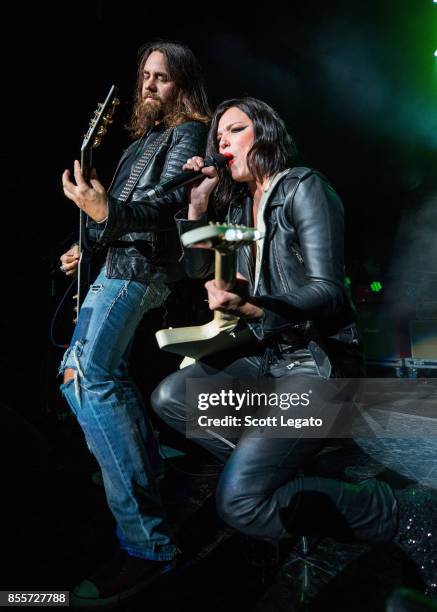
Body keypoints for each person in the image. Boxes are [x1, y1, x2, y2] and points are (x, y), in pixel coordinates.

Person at [151, 98, 437, 593]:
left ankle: (394, 511)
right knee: (174, 398)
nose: (220, 143)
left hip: (319, 365)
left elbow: (329, 291)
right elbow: (199, 270)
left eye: (234, 131)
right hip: (269, 359)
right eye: (217, 135)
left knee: (239, 503)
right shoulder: (242, 207)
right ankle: (283, 479)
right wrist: (197, 204)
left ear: (264, 134)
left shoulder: (304, 188)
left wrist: (257, 307)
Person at [59, 40, 209, 608]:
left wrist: (107, 215)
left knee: (90, 377)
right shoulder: (138, 144)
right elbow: (113, 217)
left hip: (141, 271)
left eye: (162, 78)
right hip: (114, 267)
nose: (150, 85)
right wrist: (84, 245)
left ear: (182, 85)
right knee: (82, 381)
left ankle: (148, 544)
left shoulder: (188, 132)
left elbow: (170, 204)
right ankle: (148, 475)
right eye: (145, 75)